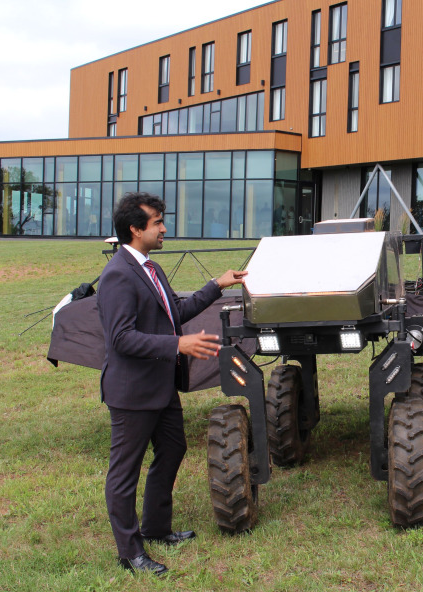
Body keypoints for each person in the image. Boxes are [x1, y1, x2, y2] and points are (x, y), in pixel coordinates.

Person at [97, 192, 246, 575]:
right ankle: (130, 553)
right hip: (132, 392)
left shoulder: (152, 268)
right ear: (135, 228)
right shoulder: (117, 275)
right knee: (123, 473)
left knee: (174, 448)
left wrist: (217, 284)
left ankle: (156, 528)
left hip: (161, 388)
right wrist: (177, 344)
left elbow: (174, 311)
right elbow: (121, 338)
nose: (164, 228)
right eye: (157, 222)